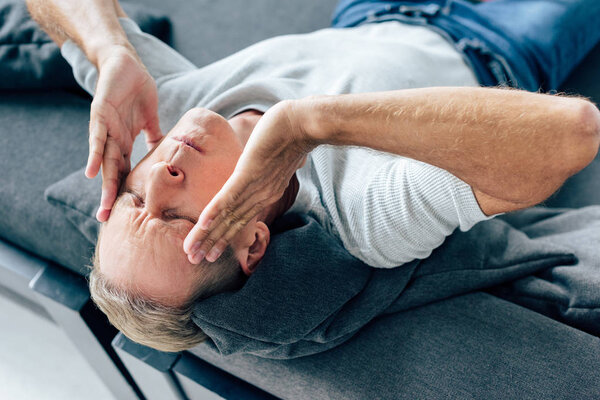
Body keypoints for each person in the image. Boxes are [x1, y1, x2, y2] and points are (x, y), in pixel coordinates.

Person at [28, 0, 600, 352]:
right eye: (175, 217)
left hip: (369, 12)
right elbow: (573, 130)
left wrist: (109, 51)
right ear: (253, 240)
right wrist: (306, 124)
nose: (159, 178)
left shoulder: (165, 117)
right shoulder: (364, 216)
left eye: (130, 196)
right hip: (498, 43)